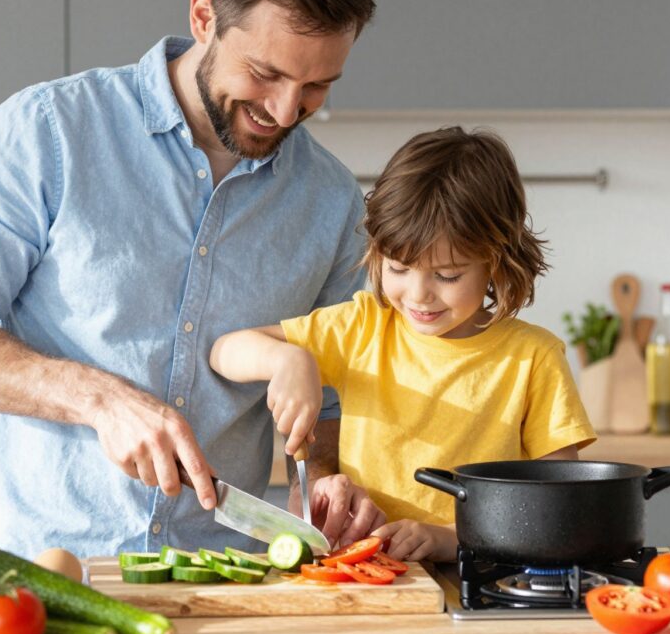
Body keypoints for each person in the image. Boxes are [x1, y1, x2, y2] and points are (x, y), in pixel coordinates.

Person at [0, 0, 385, 560]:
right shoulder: (51, 131)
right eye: (265, 73)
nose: (286, 110)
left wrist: (322, 480)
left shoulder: (331, 201)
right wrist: (99, 400)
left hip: (220, 579)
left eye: (317, 86)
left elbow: (329, 397)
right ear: (204, 17)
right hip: (37, 572)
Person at [210, 127, 596, 563]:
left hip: (479, 580)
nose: (418, 295)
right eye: (397, 268)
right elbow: (225, 351)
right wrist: (287, 359)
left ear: (497, 261)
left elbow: (558, 506)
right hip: (365, 578)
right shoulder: (363, 327)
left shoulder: (534, 358)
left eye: (447, 275)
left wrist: (450, 539)